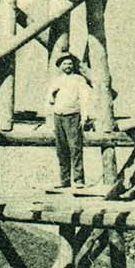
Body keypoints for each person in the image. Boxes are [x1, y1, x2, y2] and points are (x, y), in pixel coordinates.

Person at [48, 52, 94, 188]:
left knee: (75, 148)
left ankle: (79, 180)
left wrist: (84, 117)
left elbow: (85, 98)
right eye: (65, 64)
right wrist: (52, 93)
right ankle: (64, 180)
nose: (68, 66)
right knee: (61, 149)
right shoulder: (56, 81)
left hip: (73, 115)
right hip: (58, 116)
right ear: (60, 66)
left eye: (70, 63)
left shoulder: (78, 79)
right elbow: (49, 102)